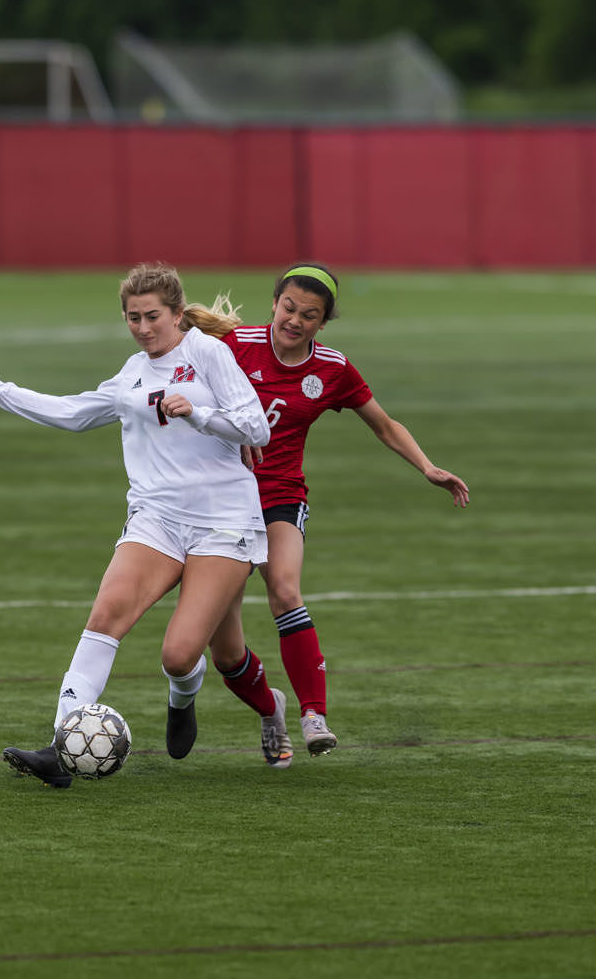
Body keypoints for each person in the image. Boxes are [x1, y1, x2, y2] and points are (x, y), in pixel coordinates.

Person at [0, 261, 277, 789]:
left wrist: (197, 413)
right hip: (155, 517)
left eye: (152, 316)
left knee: (181, 656)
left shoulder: (208, 353)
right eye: (132, 317)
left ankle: (184, 697)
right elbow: (71, 412)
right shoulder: (132, 372)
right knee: (105, 614)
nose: (142, 327)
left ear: (178, 314)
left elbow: (254, 427)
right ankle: (61, 746)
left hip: (224, 521)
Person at [196, 263, 470, 767]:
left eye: (310, 315)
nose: (295, 320)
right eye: (289, 308)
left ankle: (313, 715)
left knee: (284, 588)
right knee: (224, 649)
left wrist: (428, 467)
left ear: (324, 323)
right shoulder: (236, 346)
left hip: (280, 495)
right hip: (222, 501)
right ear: (275, 302)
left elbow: (384, 425)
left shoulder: (333, 369)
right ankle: (270, 707)